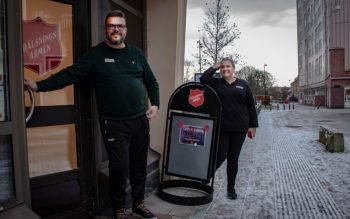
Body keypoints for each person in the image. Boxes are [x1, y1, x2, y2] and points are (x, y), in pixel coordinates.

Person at [24, 10, 159, 219]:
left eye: (120, 26)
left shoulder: (136, 54)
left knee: (139, 165)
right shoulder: (95, 55)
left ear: (125, 29)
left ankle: (139, 203)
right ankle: (119, 208)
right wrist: (38, 86)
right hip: (114, 123)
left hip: (140, 119)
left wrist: (156, 104)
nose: (116, 29)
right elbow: (69, 74)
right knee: (119, 168)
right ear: (106, 29)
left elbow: (151, 81)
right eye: (111, 25)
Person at [200, 58, 258, 200]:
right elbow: (203, 79)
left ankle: (230, 188)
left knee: (233, 159)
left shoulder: (243, 85)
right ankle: (207, 177)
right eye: (223, 67)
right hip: (223, 127)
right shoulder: (217, 82)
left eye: (228, 66)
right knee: (220, 155)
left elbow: (251, 106)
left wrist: (253, 125)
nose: (225, 69)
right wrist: (214, 66)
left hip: (240, 128)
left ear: (233, 68)